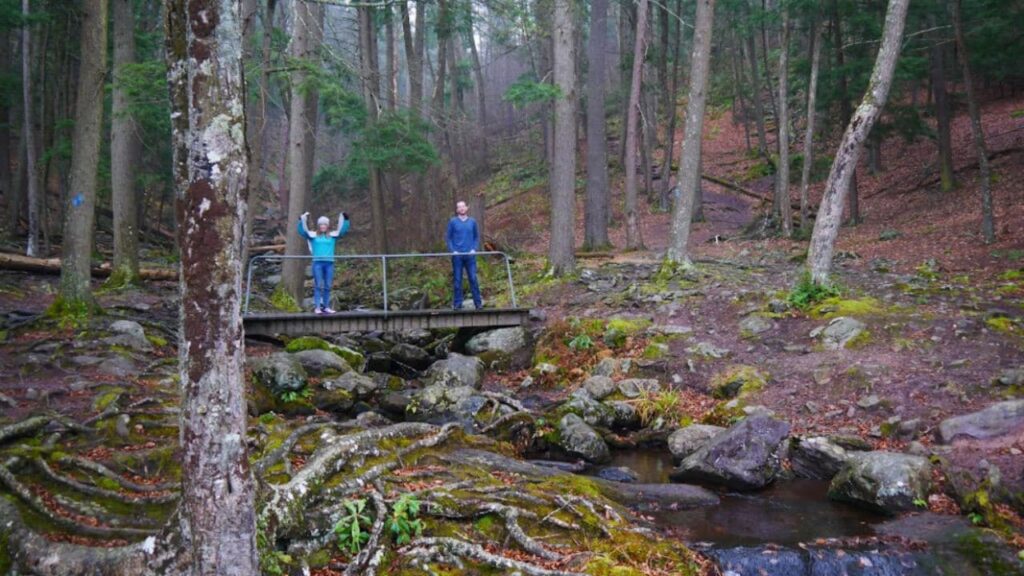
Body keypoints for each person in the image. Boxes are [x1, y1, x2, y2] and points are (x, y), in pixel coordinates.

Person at [297, 211, 350, 314]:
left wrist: (346, 220)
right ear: (319, 225)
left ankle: (326, 306)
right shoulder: (313, 236)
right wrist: (300, 220)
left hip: (329, 263)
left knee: (327, 286)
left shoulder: (332, 235)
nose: (323, 226)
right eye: (321, 224)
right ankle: (317, 307)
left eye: (324, 224)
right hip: (317, 263)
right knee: (318, 286)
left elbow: (343, 230)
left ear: (327, 225)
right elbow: (302, 231)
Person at [445, 201, 482, 310]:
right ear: (457, 210)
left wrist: (474, 249)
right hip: (457, 256)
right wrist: (453, 250)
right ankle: (457, 304)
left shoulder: (472, 222)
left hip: (470, 256)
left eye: (463, 206)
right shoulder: (453, 222)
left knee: (473, 278)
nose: (461, 208)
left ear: (466, 208)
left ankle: (478, 304)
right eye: (459, 207)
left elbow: (476, 237)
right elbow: (448, 238)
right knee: (457, 280)